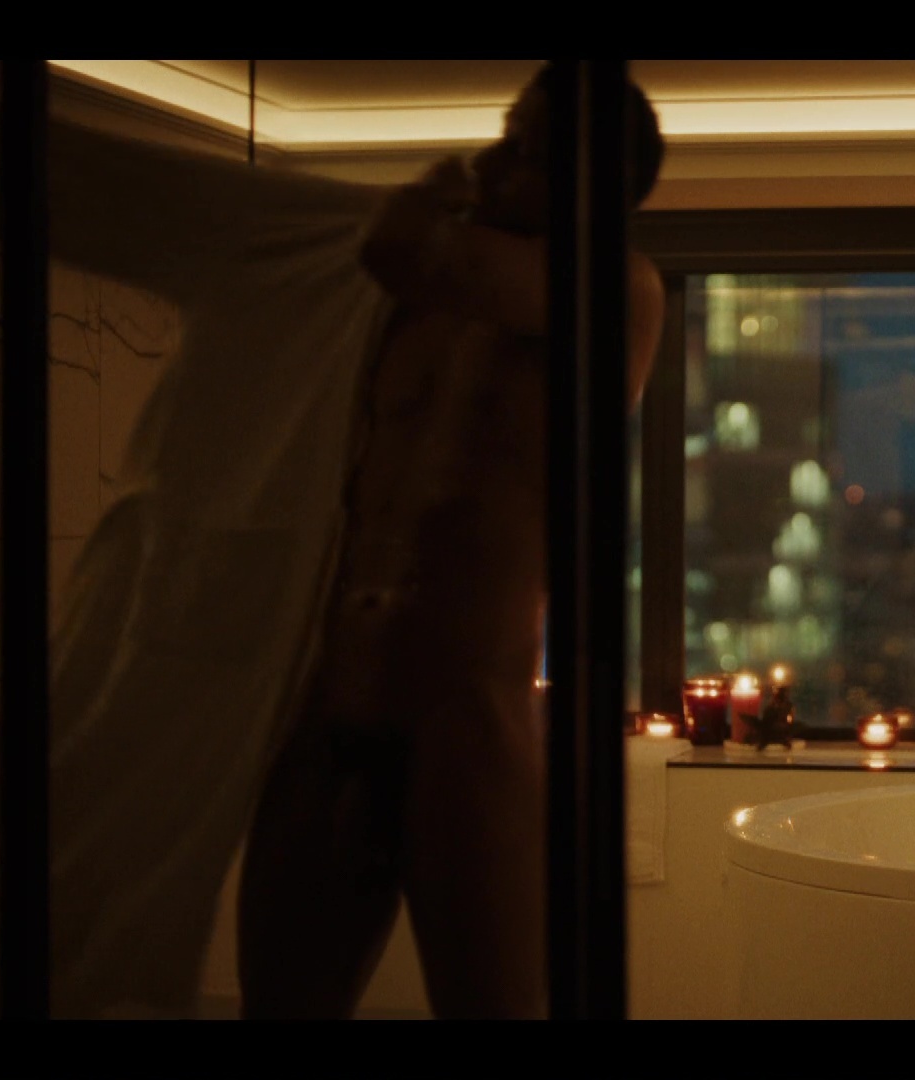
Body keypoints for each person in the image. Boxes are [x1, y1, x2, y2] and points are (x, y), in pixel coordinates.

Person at [232, 65, 667, 1019]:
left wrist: (429, 191)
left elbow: (404, 247)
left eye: (528, 151)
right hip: (334, 703)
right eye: (506, 136)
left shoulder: (611, 290)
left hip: (464, 722)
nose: (494, 161)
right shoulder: (419, 312)